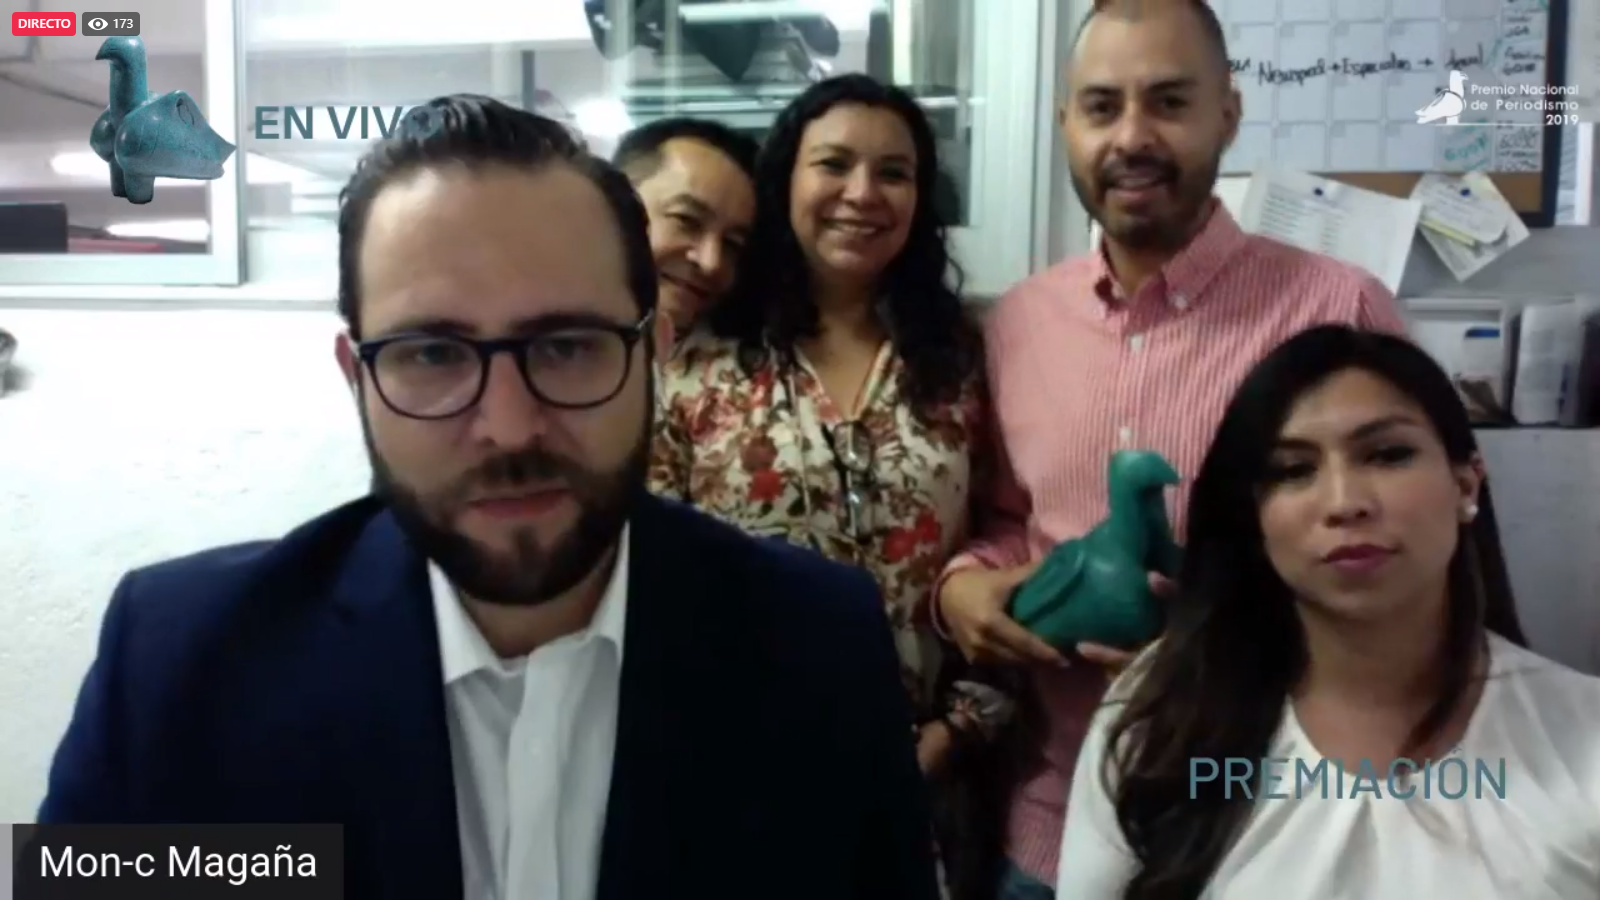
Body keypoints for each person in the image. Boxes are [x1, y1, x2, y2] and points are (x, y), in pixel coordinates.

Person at [37, 96, 940, 900]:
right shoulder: (180, 665)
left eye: (568, 345)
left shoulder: (819, 648)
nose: (508, 428)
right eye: (432, 353)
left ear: (654, 352)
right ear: (357, 377)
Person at [928, 2, 1413, 897]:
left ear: (1228, 112)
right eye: (1102, 106)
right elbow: (1009, 517)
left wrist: (1226, 645)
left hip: (1268, 829)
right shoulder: (1020, 322)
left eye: (1169, 101)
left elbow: (1417, 578)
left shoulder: (1339, 311)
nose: (1132, 137)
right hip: (1048, 828)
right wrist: (963, 586)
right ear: (1065, 123)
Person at [1058, 324, 1600, 898]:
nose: (1344, 503)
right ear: (1255, 516)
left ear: (1466, 485)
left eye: (1388, 455)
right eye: (1293, 470)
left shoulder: (1582, 736)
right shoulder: (1162, 716)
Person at [647, 74, 1008, 897]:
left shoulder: (962, 360)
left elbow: (1009, 538)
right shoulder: (696, 357)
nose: (862, 193)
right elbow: (653, 570)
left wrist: (957, 729)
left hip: (930, 785)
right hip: (735, 782)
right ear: (785, 182)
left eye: (894, 172)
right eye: (834, 164)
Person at [613, 117, 758, 347]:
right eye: (686, 220)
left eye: (732, 244)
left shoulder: (740, 361)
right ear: (615, 203)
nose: (711, 262)